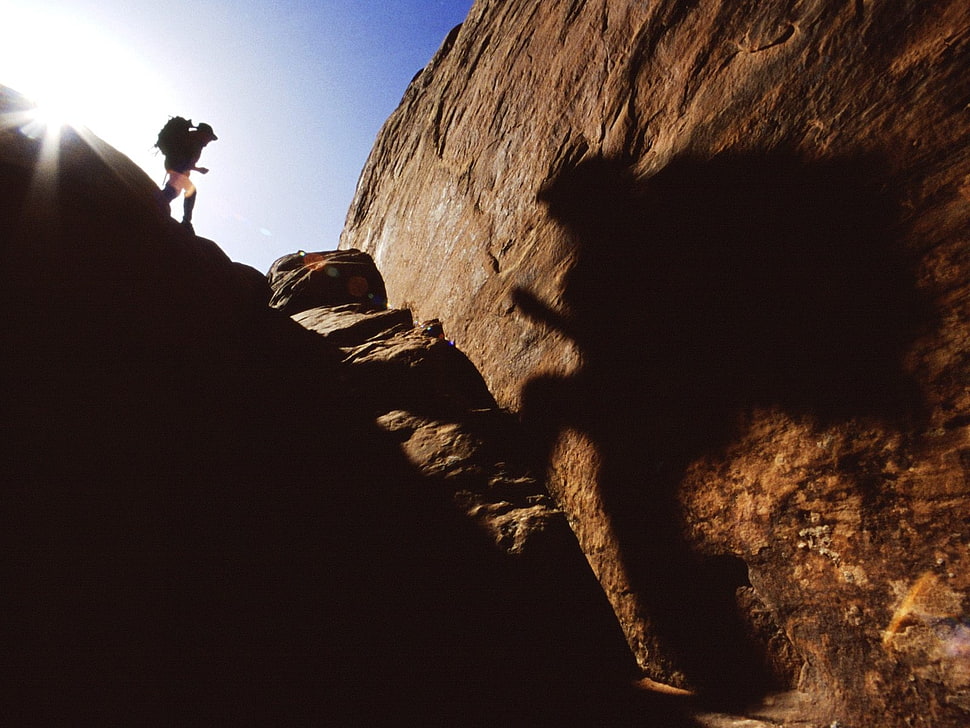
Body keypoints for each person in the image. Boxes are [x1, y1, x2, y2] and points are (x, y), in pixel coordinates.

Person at [160, 122, 218, 232]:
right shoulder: (194, 141)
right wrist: (198, 169)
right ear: (203, 133)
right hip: (178, 168)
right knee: (183, 190)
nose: (209, 140)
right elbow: (186, 161)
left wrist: (197, 169)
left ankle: (159, 202)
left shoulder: (193, 140)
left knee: (176, 190)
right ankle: (184, 220)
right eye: (209, 137)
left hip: (175, 167)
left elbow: (188, 162)